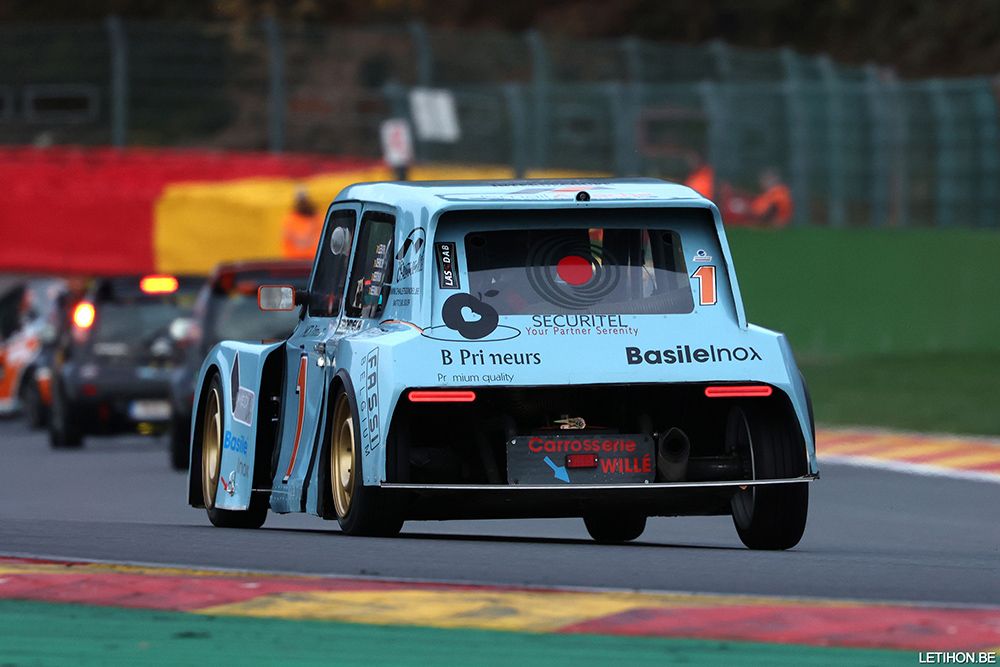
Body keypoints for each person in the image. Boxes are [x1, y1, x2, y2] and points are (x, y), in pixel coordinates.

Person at [282, 188, 323, 259]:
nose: (303, 204)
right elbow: (291, 237)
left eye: (304, 200)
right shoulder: (290, 219)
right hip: (293, 260)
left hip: (312, 259)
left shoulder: (316, 218)